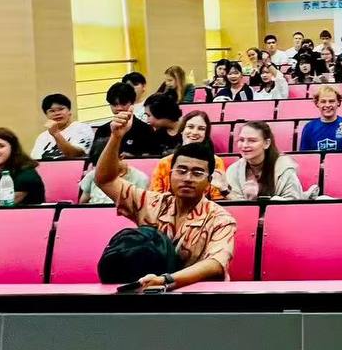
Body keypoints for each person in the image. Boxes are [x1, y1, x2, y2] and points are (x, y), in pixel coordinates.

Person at [95, 112, 236, 289]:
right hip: (145, 290)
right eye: (181, 171)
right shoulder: (150, 202)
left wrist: (165, 280)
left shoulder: (221, 219)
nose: (188, 178)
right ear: (170, 175)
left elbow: (215, 263)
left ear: (209, 181)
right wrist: (116, 137)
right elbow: (105, 180)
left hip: (196, 294)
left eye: (197, 173)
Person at [149, 110, 227, 198]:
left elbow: (217, 198)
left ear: (206, 134)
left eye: (201, 129)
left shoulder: (216, 162)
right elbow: (155, 197)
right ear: (182, 130)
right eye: (190, 127)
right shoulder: (164, 163)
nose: (194, 132)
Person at [225, 121, 304, 200]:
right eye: (241, 140)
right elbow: (234, 204)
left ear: (266, 143)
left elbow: (293, 202)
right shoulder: (234, 170)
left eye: (252, 140)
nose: (245, 145)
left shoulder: (284, 168)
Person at [298, 85, 342, 152]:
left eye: (331, 101)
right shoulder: (309, 127)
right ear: (317, 103)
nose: (327, 105)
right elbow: (304, 155)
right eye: (323, 101)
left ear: (338, 102)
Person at [30, 93, 94, 160]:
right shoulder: (42, 137)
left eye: (61, 109)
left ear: (69, 112)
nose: (57, 113)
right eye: (52, 111)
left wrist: (56, 134)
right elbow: (35, 161)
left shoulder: (82, 128)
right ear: (46, 115)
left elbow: (76, 155)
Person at [80, 163, 148, 206]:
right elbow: (83, 203)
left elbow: (141, 208)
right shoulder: (92, 175)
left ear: (121, 157)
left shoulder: (140, 178)